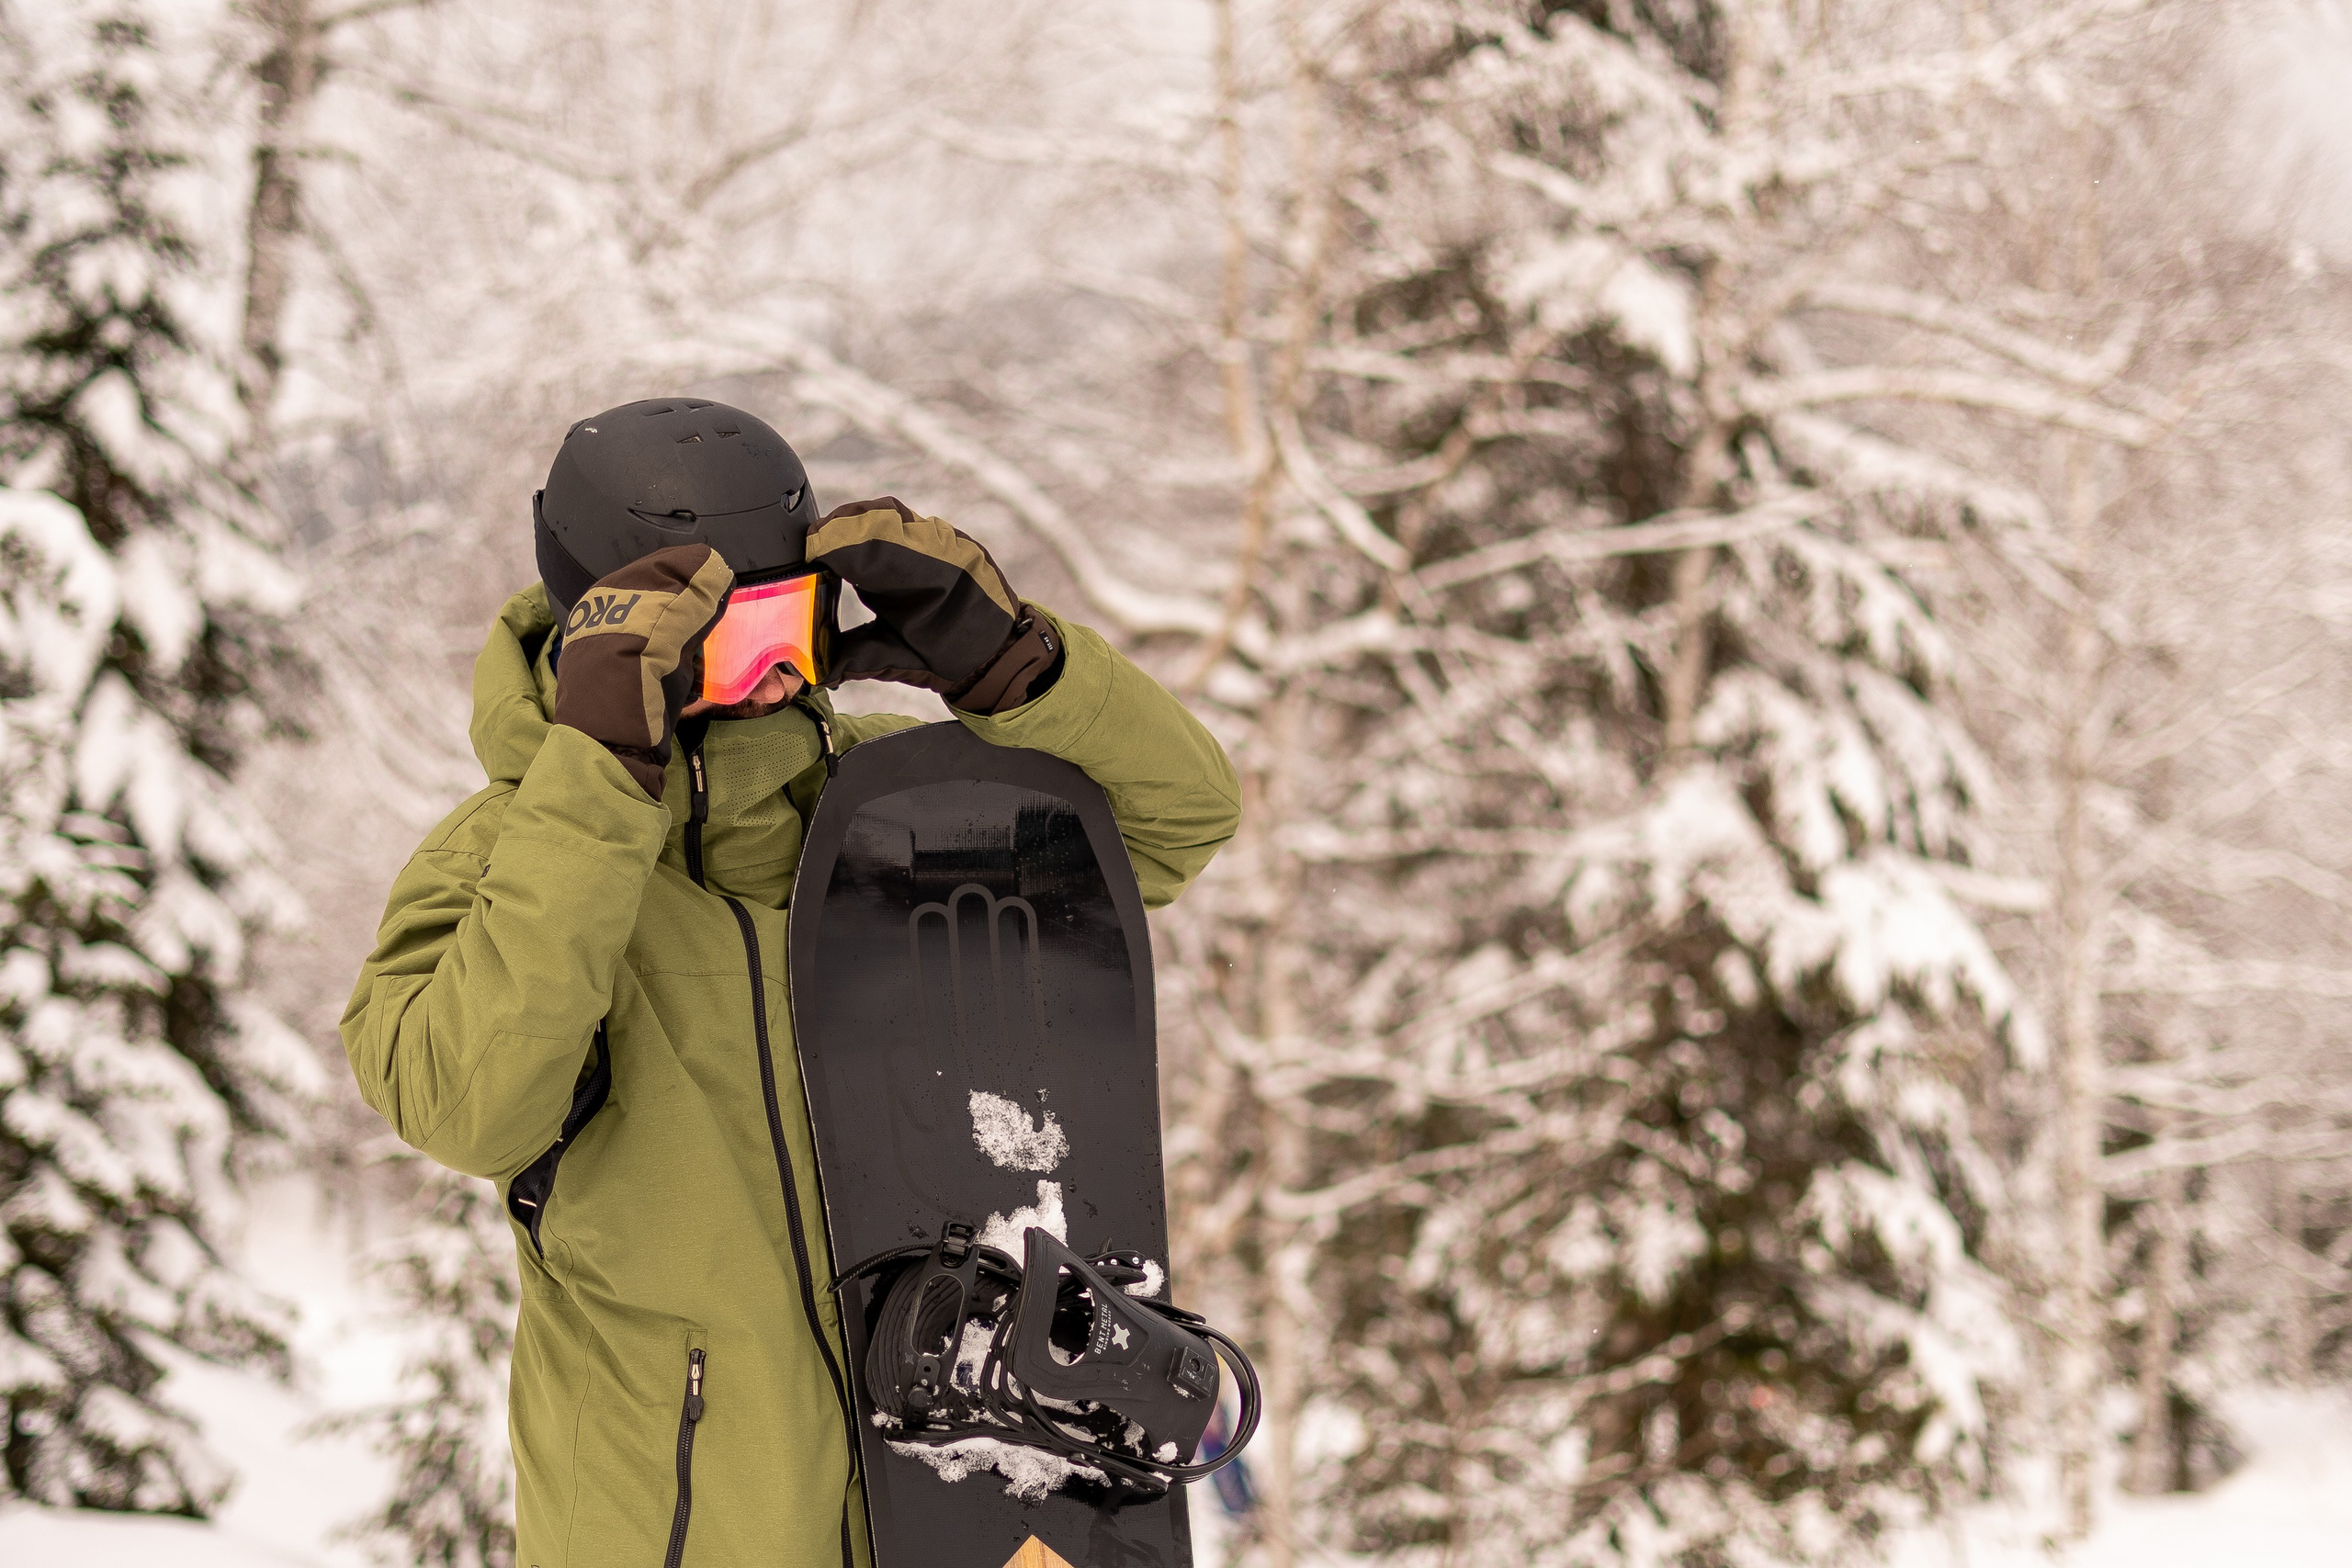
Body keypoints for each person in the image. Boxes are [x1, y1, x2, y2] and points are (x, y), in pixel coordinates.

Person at [339, 398, 1241, 1568]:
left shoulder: (906, 812)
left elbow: (1177, 825)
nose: (769, 678)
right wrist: (597, 779)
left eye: (790, 624)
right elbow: (462, 1102)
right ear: (607, 629)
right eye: (722, 636)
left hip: (955, 1494)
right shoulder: (512, 854)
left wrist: (1019, 674)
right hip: (687, 1527)